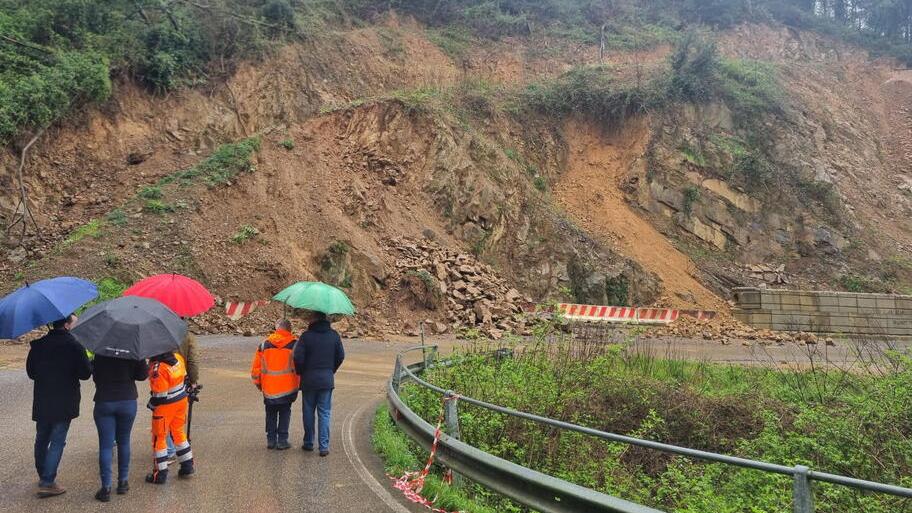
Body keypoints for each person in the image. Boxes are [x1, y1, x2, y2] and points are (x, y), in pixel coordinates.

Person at [26, 313, 92, 498]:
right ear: (66, 325)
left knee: (42, 438)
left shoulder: (38, 346)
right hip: (64, 401)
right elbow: (85, 373)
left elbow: (31, 373)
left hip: (43, 399)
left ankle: (43, 475)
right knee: (57, 440)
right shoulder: (74, 346)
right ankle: (48, 482)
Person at [91, 354, 148, 501]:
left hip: (104, 400)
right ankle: (123, 482)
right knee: (124, 442)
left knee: (105, 446)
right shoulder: (133, 350)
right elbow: (142, 375)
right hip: (127, 400)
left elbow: (95, 376)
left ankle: (106, 488)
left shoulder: (101, 351)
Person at [293, 312, 344, 456]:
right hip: (326, 379)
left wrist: (301, 371)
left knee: (308, 411)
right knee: (325, 413)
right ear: (326, 319)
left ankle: (308, 442)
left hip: (308, 379)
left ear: (313, 320)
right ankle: (323, 446)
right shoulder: (334, 335)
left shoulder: (306, 336)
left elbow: (298, 357)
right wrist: (330, 370)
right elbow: (341, 356)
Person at [251, 319, 299, 450]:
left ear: (277, 328)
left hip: (269, 388)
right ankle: (282, 440)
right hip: (288, 388)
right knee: (285, 413)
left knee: (270, 413)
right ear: (289, 330)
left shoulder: (264, 345)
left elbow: (256, 368)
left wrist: (258, 383)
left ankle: (271, 440)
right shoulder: (295, 345)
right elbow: (300, 366)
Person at [146, 351, 194, 484]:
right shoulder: (178, 357)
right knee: (178, 432)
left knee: (159, 438)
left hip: (165, 407)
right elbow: (185, 379)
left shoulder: (158, 368)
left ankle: (160, 474)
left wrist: (151, 404)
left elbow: (160, 395)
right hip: (181, 401)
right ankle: (187, 466)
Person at [166, 331, 199, 461]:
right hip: (181, 377)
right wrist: (193, 380)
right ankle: (179, 448)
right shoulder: (187, 335)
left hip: (163, 377)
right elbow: (192, 360)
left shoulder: (159, 331)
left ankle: (168, 448)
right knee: (178, 416)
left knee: (163, 413)